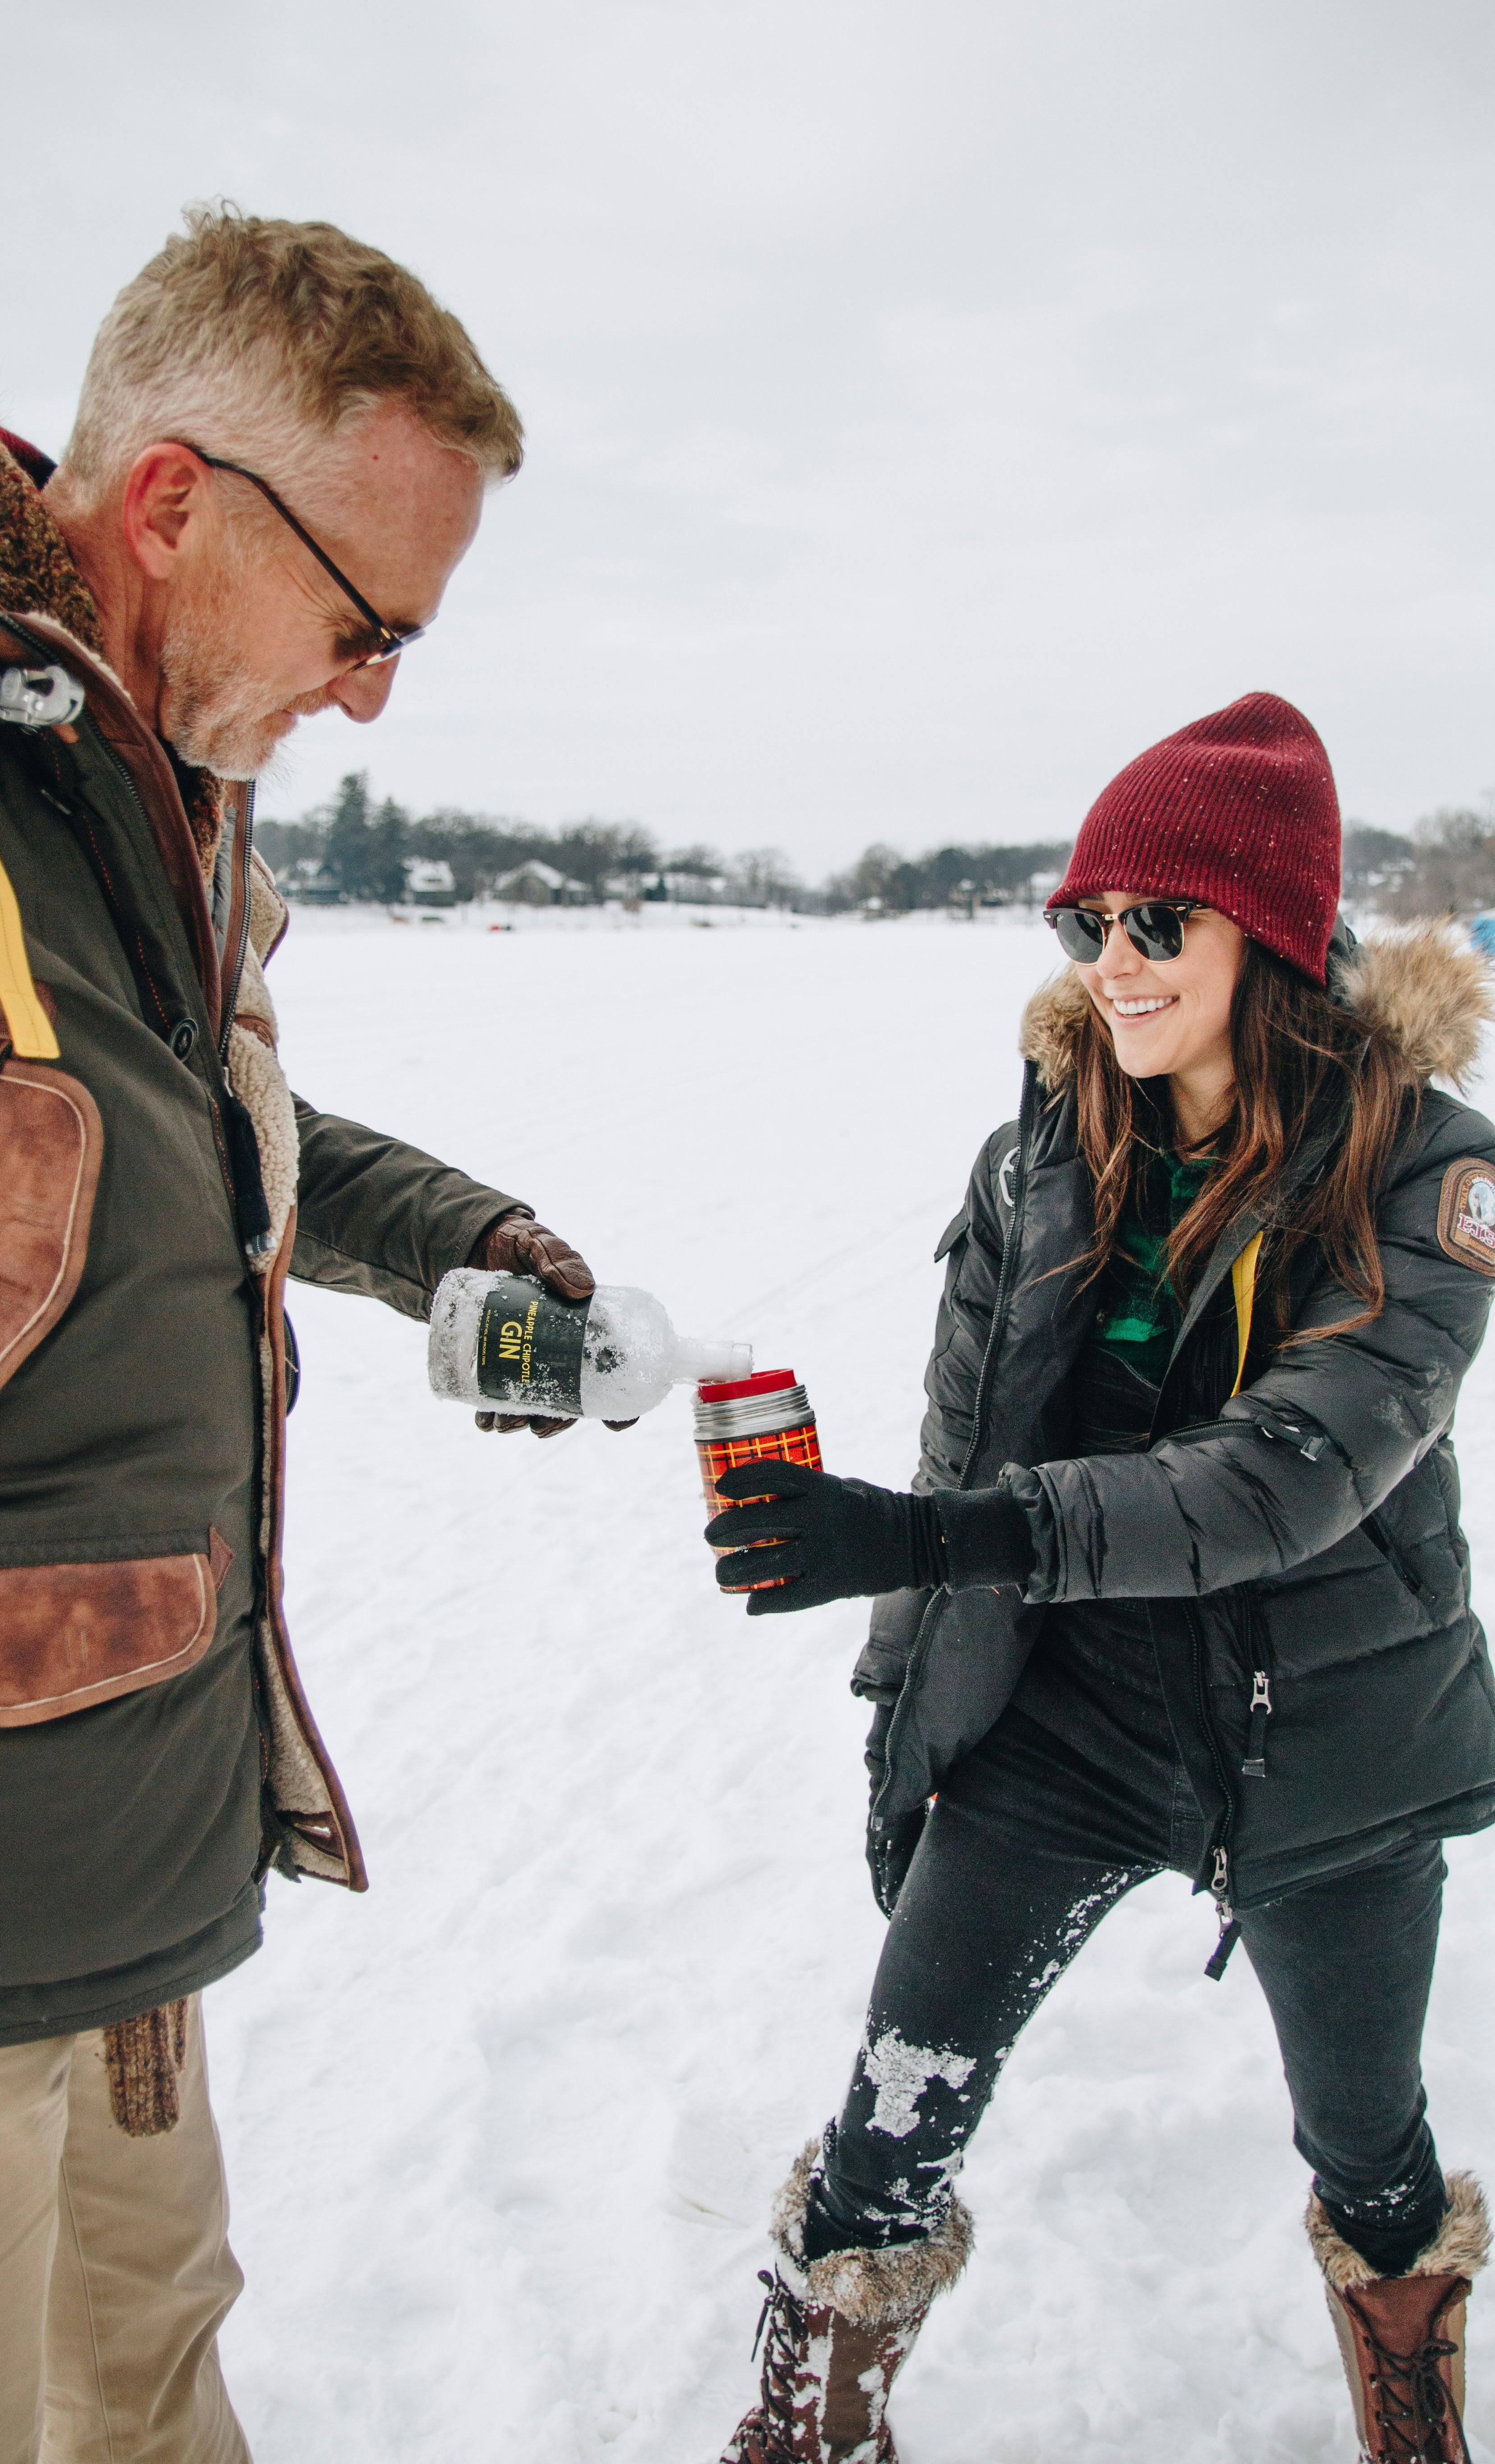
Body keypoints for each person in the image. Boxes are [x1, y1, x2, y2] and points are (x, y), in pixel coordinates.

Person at [0, 207, 615, 2459]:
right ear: (173, 501)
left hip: (130, 1902)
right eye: (366, 619)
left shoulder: (139, 795)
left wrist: (457, 1233)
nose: (379, 688)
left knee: (154, 2390)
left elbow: (184, 1115)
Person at [706, 693, 1495, 2464]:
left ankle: (1413, 2415)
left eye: (1160, 922)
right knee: (886, 2129)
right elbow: (964, 1431)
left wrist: (930, 1537)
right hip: (1061, 1721)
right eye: (1089, 923)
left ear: (1272, 935)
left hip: (1328, 1744)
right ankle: (816, 2431)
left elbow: (1280, 1482)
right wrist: (907, 1706)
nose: (1115, 962)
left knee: (1372, 2156)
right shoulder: (1043, 1157)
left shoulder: (1435, 1174)